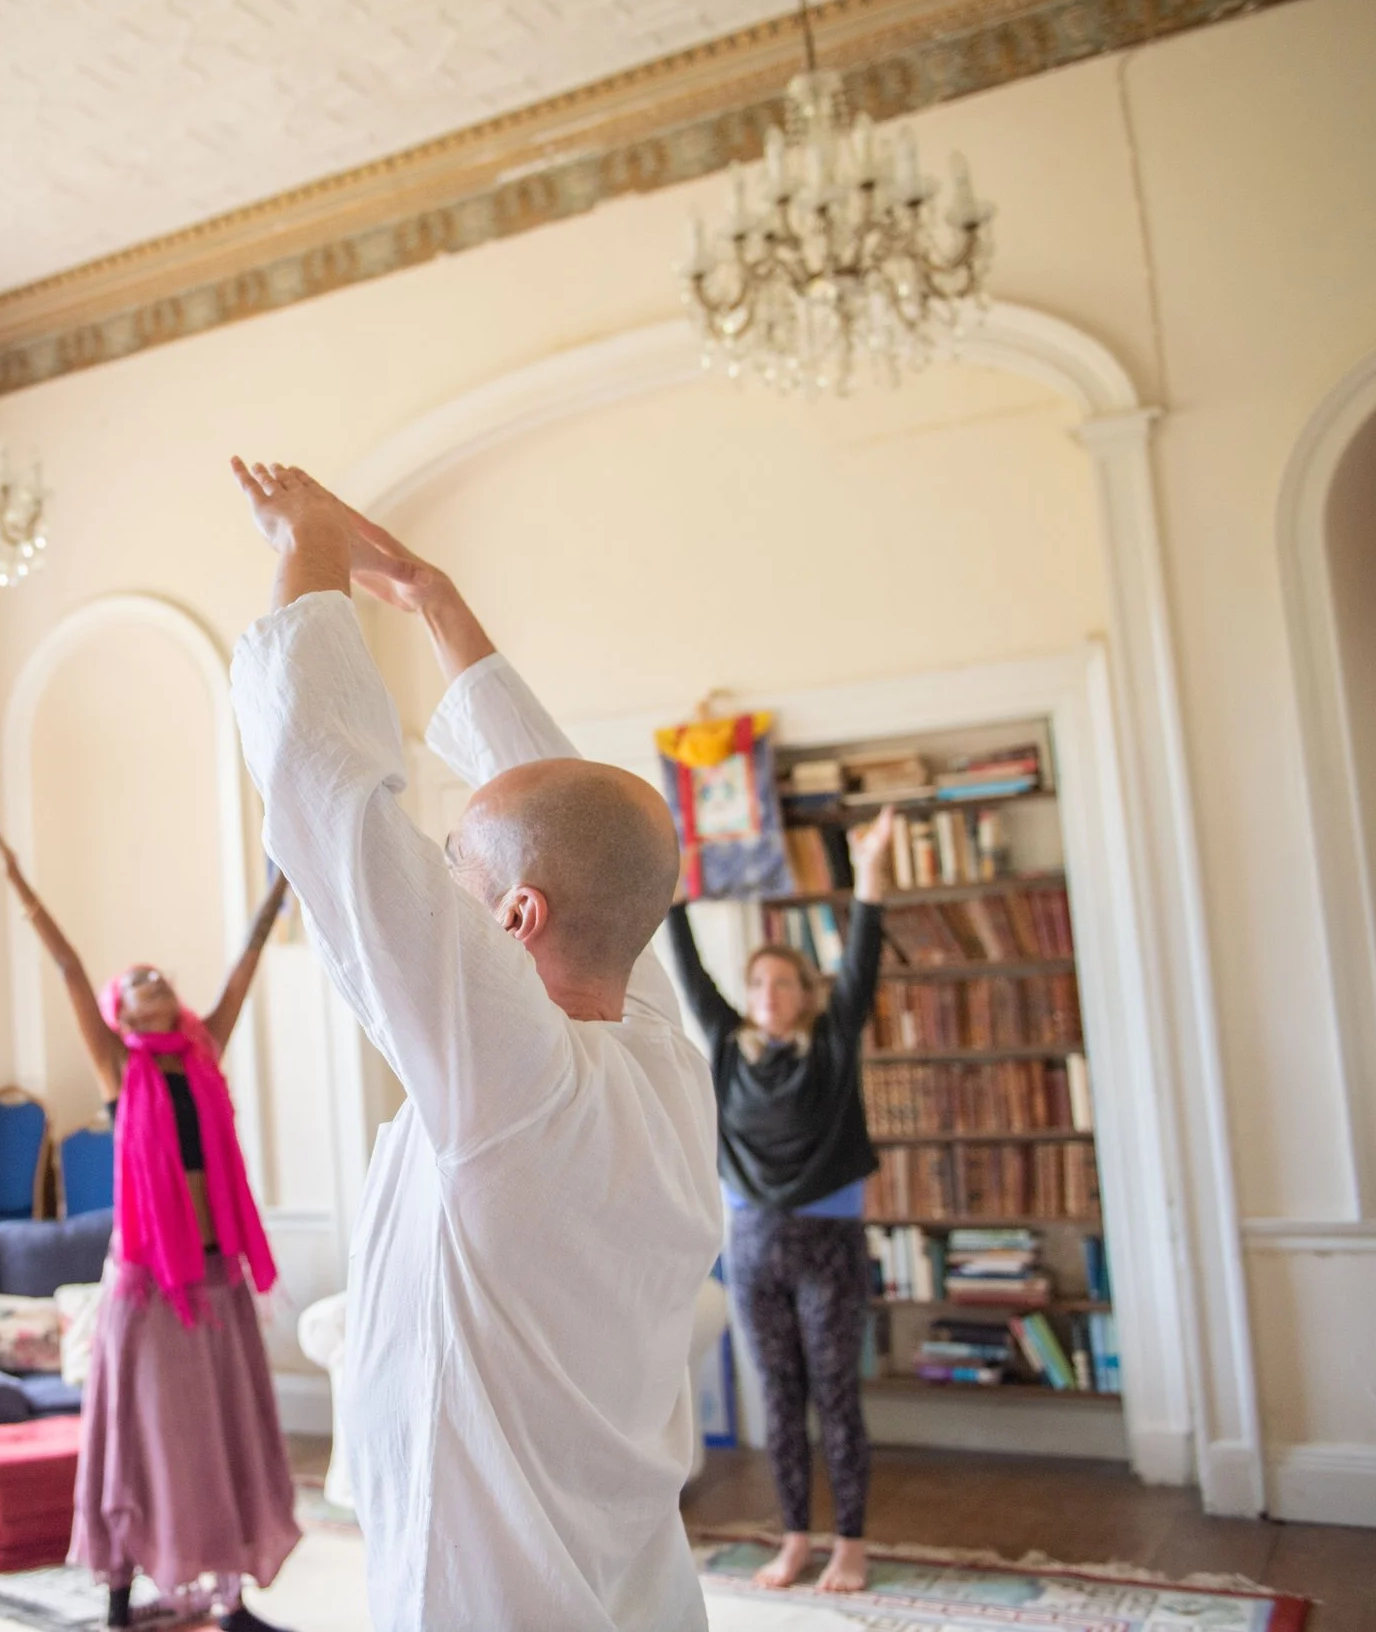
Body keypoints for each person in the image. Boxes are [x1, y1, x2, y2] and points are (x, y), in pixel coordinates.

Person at [225, 459, 723, 1632]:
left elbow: (325, 795)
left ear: (514, 922)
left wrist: (306, 543)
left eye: (456, 868)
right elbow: (578, 828)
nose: (440, 882)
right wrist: (435, 605)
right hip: (630, 1582)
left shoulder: (518, 1082)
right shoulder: (658, 1050)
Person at [0, 807, 298, 1632]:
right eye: (140, 978)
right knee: (139, 1439)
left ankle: (231, 1602)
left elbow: (247, 960)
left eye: (161, 974)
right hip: (152, 1286)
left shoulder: (204, 1050)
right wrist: (19, 884)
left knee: (225, 1435)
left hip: (217, 1276)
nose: (155, 977)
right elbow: (70, 966)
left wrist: (281, 882)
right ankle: (119, 1602)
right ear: (121, 1012)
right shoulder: (118, 1066)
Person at [665, 804, 899, 1593]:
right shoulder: (729, 1049)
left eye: (784, 981)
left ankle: (851, 1544)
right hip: (754, 1248)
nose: (769, 991)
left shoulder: (830, 1045)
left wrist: (870, 873)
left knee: (837, 1398)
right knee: (779, 1400)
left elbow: (861, 963)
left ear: (805, 992)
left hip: (828, 1249)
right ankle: (796, 1538)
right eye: (759, 981)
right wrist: (673, 892)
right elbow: (690, 971)